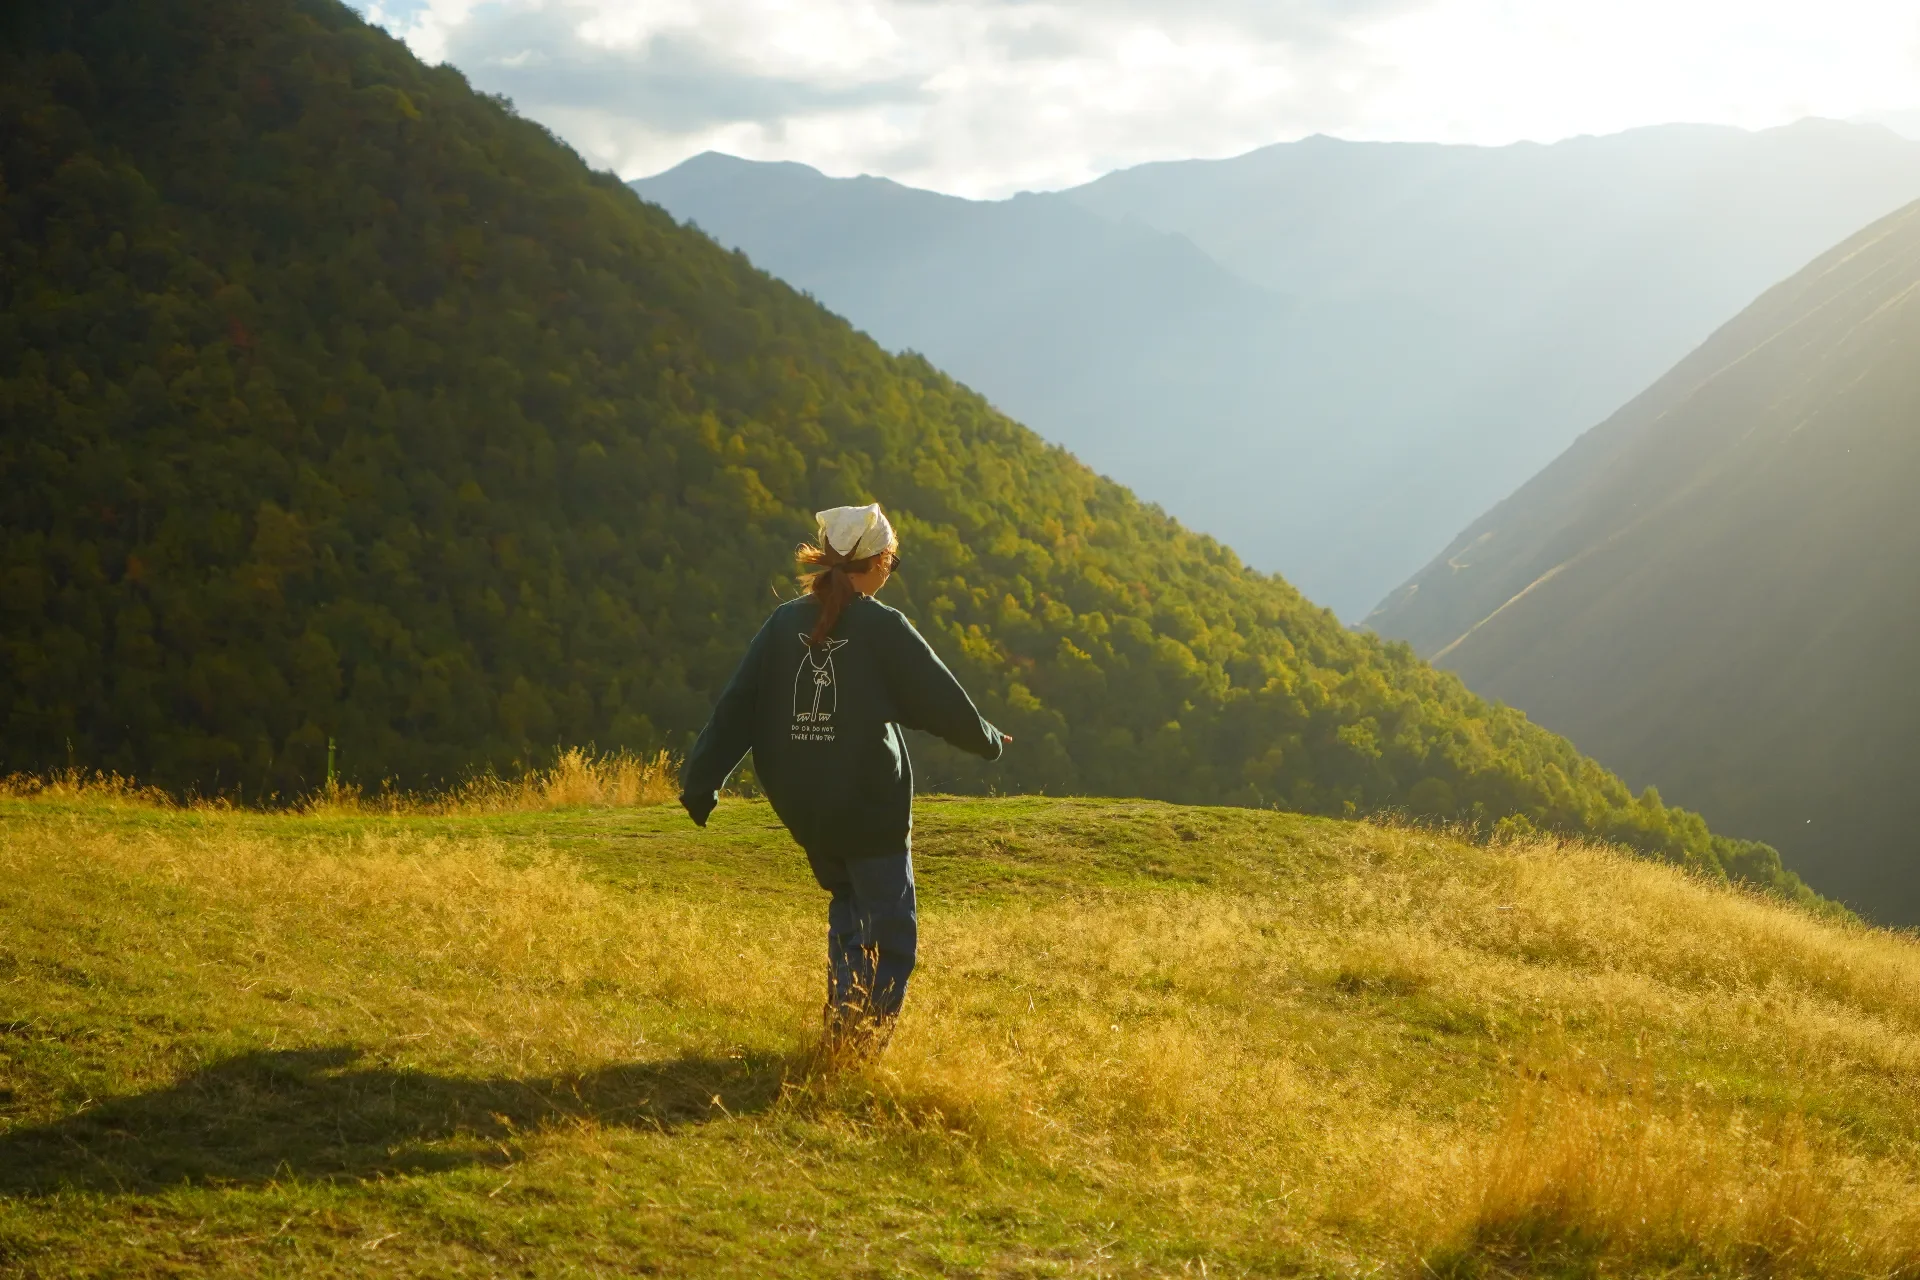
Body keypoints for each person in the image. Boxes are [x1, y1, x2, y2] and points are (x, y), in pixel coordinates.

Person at [679, 503, 1009, 1049]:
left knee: (851, 914)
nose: (891, 569)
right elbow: (940, 699)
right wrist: (989, 740)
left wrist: (701, 781)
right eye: (892, 560)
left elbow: (736, 706)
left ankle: (840, 1032)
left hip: (810, 811)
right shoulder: (883, 627)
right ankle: (858, 1051)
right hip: (868, 808)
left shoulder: (783, 623)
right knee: (891, 934)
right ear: (876, 561)